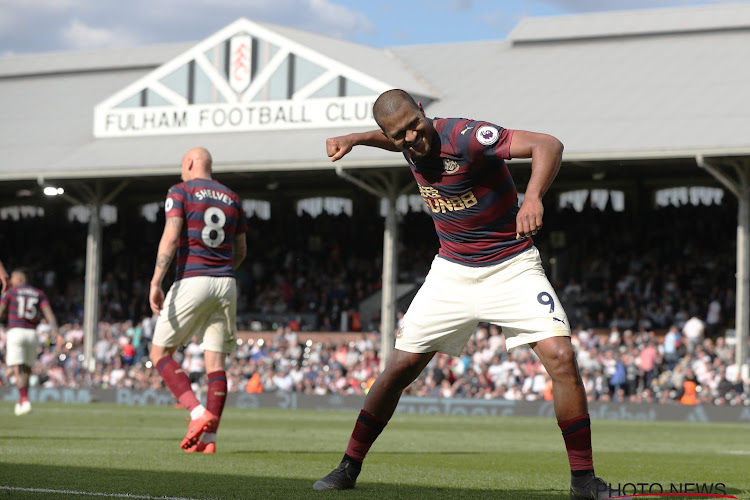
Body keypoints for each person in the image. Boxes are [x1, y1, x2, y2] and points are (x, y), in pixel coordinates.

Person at [313, 89, 626, 499]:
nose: (411, 139)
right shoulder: (401, 141)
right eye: (399, 136)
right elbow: (386, 136)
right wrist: (354, 139)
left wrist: (532, 197)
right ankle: (348, 467)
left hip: (511, 265)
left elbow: (548, 144)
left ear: (423, 112)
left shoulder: (467, 137)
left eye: (414, 125)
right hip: (451, 272)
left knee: (562, 358)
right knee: (397, 369)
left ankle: (583, 481)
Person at [148, 147, 247, 453]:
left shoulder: (181, 190)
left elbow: (171, 233)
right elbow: (241, 249)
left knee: (159, 352)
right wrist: (223, 271)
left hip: (193, 278)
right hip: (227, 282)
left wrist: (155, 281)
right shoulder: (232, 197)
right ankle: (210, 439)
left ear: (190, 163)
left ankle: (196, 412)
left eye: (182, 165)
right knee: (216, 364)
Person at [0, 269, 58, 415]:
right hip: (32, 333)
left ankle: (24, 399)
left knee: (18, 368)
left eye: (12, 278)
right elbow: (49, 314)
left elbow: (1, 311)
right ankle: (22, 401)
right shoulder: (39, 292)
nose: (10, 281)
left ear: (19, 279)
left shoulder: (11, 292)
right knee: (27, 368)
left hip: (15, 331)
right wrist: (56, 331)